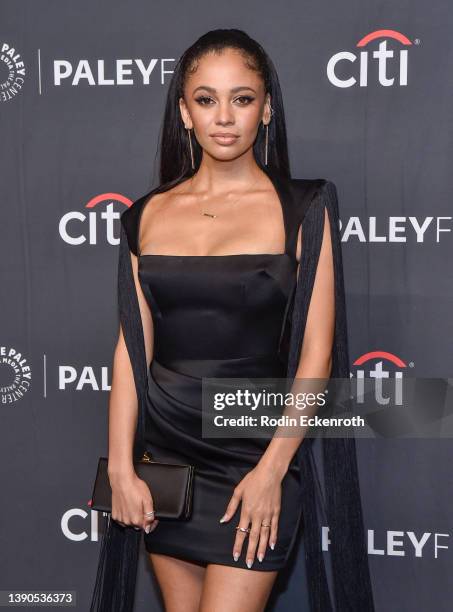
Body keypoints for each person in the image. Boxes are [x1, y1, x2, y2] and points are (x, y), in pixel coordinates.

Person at [90, 28, 374, 612]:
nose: (225, 117)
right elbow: (131, 347)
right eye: (206, 99)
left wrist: (273, 469)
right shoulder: (145, 215)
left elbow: (316, 355)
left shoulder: (305, 206)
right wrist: (121, 465)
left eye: (242, 98)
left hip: (254, 449)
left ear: (266, 108)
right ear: (184, 112)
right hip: (165, 458)